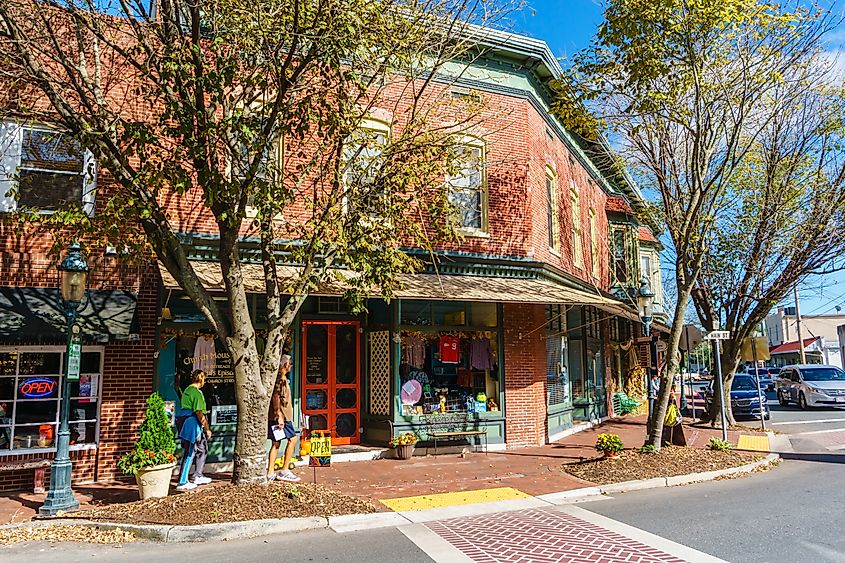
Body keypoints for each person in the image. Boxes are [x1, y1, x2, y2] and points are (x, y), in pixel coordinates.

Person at [177, 369, 213, 491]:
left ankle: (198, 474)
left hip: (186, 421)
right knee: (190, 452)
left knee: (202, 447)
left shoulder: (187, 390)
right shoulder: (197, 393)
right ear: (201, 379)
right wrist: (207, 428)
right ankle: (182, 482)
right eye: (204, 380)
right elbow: (199, 413)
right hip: (192, 423)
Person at [267, 355, 301, 482]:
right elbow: (276, 397)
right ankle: (284, 470)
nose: (291, 366)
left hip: (281, 416)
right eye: (290, 364)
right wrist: (279, 415)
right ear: (285, 365)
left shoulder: (280, 378)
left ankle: (270, 472)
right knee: (293, 439)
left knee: (276, 443)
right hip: (282, 417)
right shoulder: (280, 379)